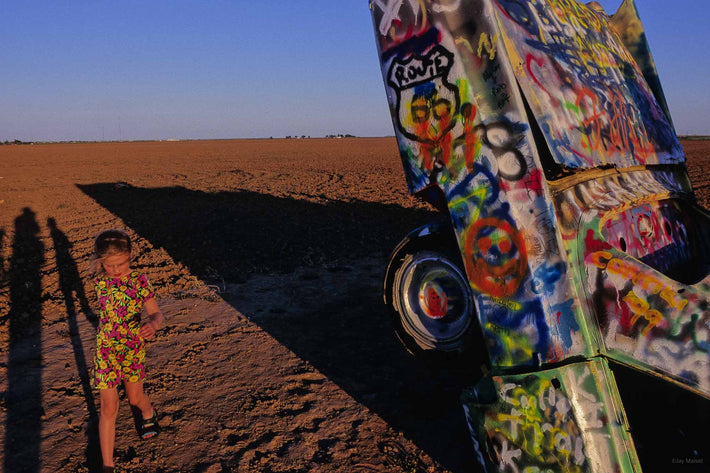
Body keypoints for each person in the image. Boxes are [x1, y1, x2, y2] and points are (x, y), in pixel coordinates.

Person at [88, 229, 164, 472]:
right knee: (108, 406)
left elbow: (156, 312)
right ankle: (107, 465)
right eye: (109, 265)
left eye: (120, 264)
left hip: (132, 348)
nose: (115, 270)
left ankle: (148, 412)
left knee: (134, 398)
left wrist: (152, 324)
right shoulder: (100, 281)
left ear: (130, 255)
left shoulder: (140, 281)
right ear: (101, 263)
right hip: (106, 348)